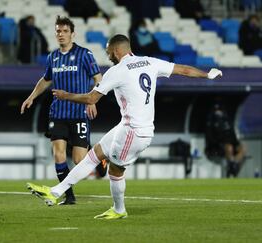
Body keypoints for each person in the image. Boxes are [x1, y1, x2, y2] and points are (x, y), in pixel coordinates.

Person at [26, 34, 222, 219]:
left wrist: (65, 95)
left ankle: (119, 210)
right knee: (94, 155)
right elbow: (184, 70)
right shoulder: (150, 61)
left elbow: (91, 98)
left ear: (116, 50)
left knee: (115, 171)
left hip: (134, 131)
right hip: (127, 126)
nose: (108, 55)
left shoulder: (117, 71)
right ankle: (55, 192)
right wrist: (207, 75)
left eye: (108, 51)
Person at [20, 16, 103, 205]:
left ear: (73, 34)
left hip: (80, 113)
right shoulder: (53, 57)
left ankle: (100, 159)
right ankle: (69, 195)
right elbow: (46, 80)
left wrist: (92, 100)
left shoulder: (85, 54)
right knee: (58, 154)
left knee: (80, 161)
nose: (61, 34)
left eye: (65, 31)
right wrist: (31, 97)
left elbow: (99, 78)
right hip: (58, 113)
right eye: (58, 31)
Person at [205, 103, 246, 177]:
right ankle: (232, 166)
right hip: (217, 147)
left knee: (243, 147)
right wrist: (219, 144)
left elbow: (233, 137)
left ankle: (233, 164)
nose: (218, 112)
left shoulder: (228, 123)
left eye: (219, 110)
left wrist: (236, 144)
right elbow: (210, 138)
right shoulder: (210, 123)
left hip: (231, 145)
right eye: (216, 110)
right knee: (229, 147)